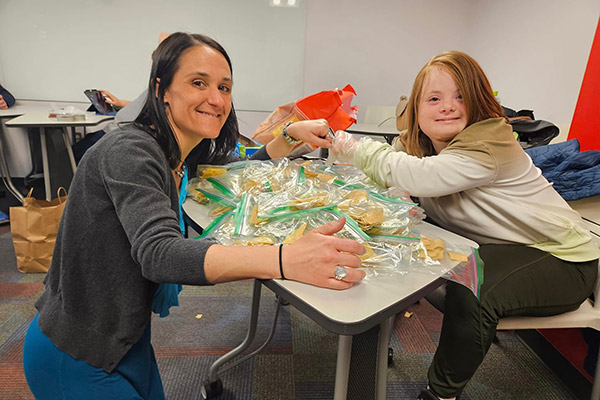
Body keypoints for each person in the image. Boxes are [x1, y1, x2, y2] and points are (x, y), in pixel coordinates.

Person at [23, 32, 366, 399]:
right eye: (198, 83)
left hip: (124, 338)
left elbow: (237, 165)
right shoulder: (129, 150)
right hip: (76, 351)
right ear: (163, 89)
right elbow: (160, 254)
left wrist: (289, 134)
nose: (216, 99)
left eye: (225, 87)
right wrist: (284, 258)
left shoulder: (181, 149)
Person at [331, 51, 599, 400]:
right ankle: (373, 347)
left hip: (562, 259)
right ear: (416, 110)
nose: (448, 106)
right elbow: (390, 180)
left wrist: (355, 148)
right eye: (434, 98)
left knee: (472, 285)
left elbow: (418, 176)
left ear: (478, 103)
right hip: (509, 250)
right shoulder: (421, 145)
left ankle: (441, 393)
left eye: (461, 96)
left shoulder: (490, 140)